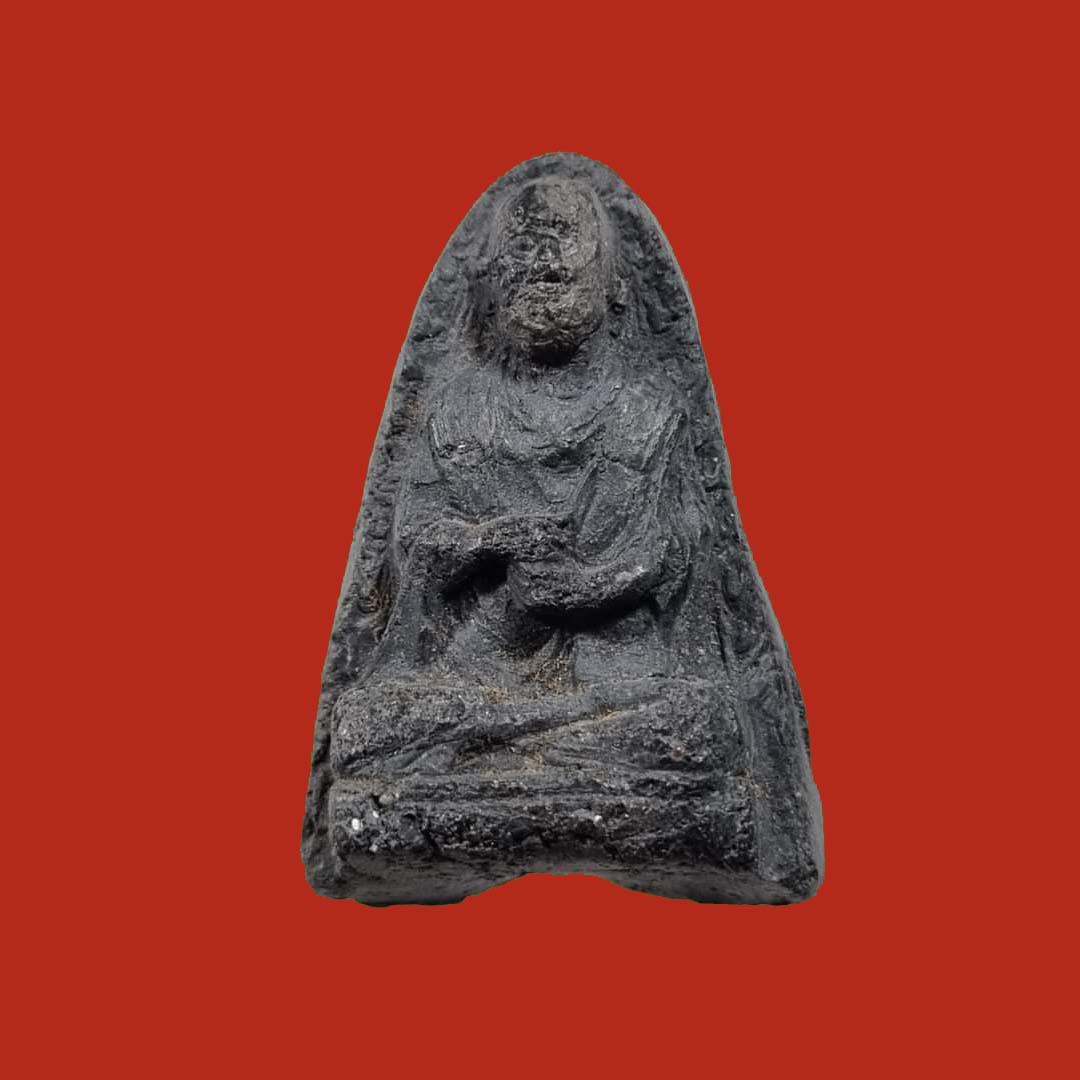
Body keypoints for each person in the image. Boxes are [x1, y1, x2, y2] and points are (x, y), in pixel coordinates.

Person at [332, 179, 727, 780]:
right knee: (365, 725)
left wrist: (592, 586)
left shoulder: (647, 414)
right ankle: (526, 740)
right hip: (482, 660)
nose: (542, 261)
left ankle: (490, 743)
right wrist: (489, 539)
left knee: (701, 724)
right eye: (521, 246)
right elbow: (412, 548)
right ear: (490, 288)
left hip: (620, 668)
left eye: (563, 238)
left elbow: (678, 557)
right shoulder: (458, 413)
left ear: (615, 284)